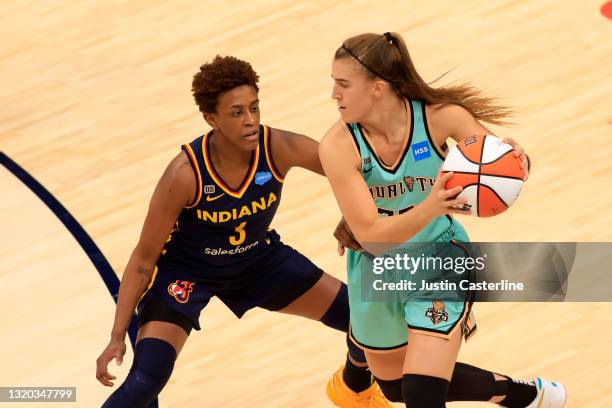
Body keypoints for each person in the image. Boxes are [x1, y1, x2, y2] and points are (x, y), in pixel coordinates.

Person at [95, 55, 390, 408]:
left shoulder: (278, 147)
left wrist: (352, 213)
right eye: (237, 113)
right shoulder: (185, 174)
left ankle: (352, 389)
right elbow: (144, 258)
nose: (251, 121)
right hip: (189, 274)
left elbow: (354, 171)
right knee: (145, 382)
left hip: (259, 262)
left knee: (367, 322)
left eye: (254, 107)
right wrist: (116, 335)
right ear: (211, 119)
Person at [320, 32, 567, 408]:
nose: (334, 95)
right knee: (395, 388)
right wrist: (429, 206)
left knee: (421, 392)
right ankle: (519, 394)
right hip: (375, 266)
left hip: (440, 258)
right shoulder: (338, 146)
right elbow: (371, 237)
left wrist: (520, 162)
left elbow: (501, 167)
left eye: (343, 84)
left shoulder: (440, 116)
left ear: (377, 87)